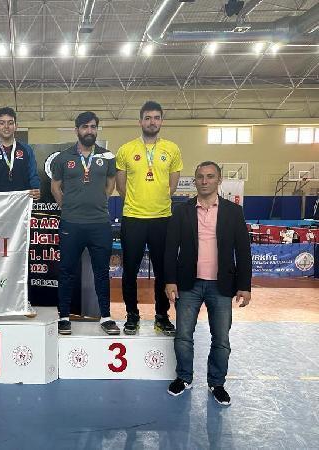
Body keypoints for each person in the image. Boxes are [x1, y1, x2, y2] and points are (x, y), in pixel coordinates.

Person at [164, 161, 252, 406]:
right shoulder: (181, 211)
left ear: (219, 180)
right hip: (188, 284)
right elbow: (170, 248)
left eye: (210, 176)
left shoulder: (233, 212)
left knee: (221, 339)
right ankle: (184, 378)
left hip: (221, 285)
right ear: (195, 180)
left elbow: (243, 251)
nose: (205, 181)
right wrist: (170, 280)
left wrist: (244, 285)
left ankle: (217, 383)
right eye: (200, 176)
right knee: (183, 336)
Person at [115, 101, 182, 336]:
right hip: (133, 218)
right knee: (129, 271)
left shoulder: (172, 149)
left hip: (162, 218)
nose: (152, 122)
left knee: (164, 271)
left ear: (161, 121)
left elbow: (172, 186)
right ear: (140, 121)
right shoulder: (126, 150)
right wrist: (137, 203)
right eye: (148, 118)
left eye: (156, 117)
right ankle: (132, 316)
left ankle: (162, 317)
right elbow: (121, 187)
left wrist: (156, 202)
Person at [51, 111, 120, 335]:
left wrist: (99, 202)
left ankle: (106, 316)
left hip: (99, 224)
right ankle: (63, 317)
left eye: (93, 127)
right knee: (67, 271)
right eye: (85, 127)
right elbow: (55, 187)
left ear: (97, 129)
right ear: (77, 130)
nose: (89, 130)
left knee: (101, 272)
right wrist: (68, 207)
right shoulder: (63, 157)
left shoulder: (107, 156)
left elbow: (111, 182)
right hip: (71, 223)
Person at [0, 106, 40, 200]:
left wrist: (36, 189)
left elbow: (33, 175)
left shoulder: (26, 150)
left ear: (16, 126)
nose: (6, 126)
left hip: (20, 204)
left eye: (10, 123)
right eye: (2, 123)